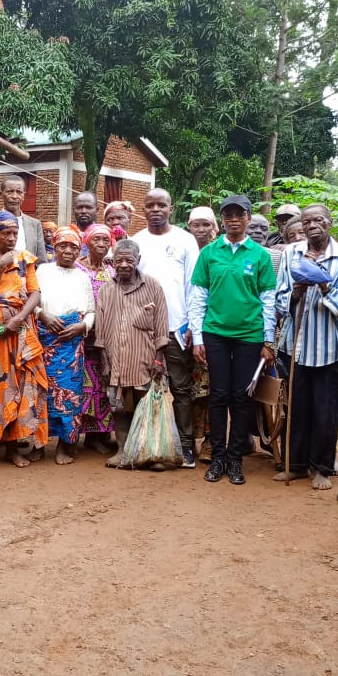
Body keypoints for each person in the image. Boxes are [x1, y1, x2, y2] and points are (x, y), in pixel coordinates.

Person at [189, 195, 276, 486]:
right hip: (215, 333)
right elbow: (198, 297)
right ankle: (218, 458)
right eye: (228, 215)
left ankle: (235, 459)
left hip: (249, 336)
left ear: (249, 218)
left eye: (240, 214)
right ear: (222, 220)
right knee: (218, 395)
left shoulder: (260, 255)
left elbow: (268, 300)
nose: (234, 219)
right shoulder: (210, 253)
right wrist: (198, 337)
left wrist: (268, 341)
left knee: (242, 397)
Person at [273, 205, 338, 489]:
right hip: (295, 346)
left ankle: (321, 467)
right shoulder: (290, 254)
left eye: (318, 220)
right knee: (296, 407)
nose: (311, 225)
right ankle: (294, 464)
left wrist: (321, 282)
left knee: (326, 409)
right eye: (306, 221)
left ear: (330, 223)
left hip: (329, 347)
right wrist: (296, 291)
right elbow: (280, 298)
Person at [0, 211, 49, 467]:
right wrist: (0, 267)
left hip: (20, 327)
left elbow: (35, 294)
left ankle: (13, 447)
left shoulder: (26, 260)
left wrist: (18, 319)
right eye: (6, 233)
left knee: (18, 383)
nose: (12, 237)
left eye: (15, 233)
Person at [131, 187, 200, 466]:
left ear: (171, 208)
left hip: (176, 328)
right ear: (144, 209)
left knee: (181, 389)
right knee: (145, 387)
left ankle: (185, 446)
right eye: (150, 205)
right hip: (143, 329)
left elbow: (194, 286)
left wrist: (192, 324)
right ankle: (148, 444)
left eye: (162, 205)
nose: (156, 210)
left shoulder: (186, 240)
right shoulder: (136, 241)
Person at [95, 239, 170, 469]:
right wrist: (104, 361)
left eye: (129, 260)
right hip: (115, 360)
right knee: (118, 408)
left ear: (138, 261)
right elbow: (100, 331)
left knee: (146, 406)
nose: (124, 264)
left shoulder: (153, 287)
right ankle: (123, 451)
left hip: (144, 360)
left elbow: (161, 326)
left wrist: (158, 359)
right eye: (119, 260)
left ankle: (149, 454)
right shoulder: (107, 289)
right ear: (113, 262)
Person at [36, 227, 96, 464]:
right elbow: (31, 299)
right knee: (40, 393)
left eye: (73, 247)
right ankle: (38, 444)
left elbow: (91, 310)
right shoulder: (42, 271)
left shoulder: (83, 276)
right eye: (63, 246)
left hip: (71, 343)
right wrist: (42, 315)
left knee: (69, 395)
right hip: (44, 338)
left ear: (79, 249)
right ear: (54, 247)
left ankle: (64, 445)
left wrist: (82, 327)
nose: (68, 251)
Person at [77, 224, 116, 454]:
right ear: (87, 241)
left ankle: (100, 433)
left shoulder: (111, 268)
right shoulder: (76, 266)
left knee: (103, 384)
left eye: (105, 240)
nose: (101, 244)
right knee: (85, 385)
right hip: (83, 335)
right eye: (96, 240)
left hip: (106, 336)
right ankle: (86, 434)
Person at [186, 207, 218, 461]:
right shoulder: (182, 247)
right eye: (195, 224)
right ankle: (185, 439)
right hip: (179, 329)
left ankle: (209, 441)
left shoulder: (219, 252)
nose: (200, 229)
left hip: (210, 330)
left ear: (214, 227)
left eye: (205, 224)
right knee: (183, 388)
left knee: (208, 388)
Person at [0, 174, 48, 259]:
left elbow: (41, 260)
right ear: (1, 194)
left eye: (19, 192)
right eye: (9, 192)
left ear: (24, 195)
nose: (14, 196)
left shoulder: (35, 224)